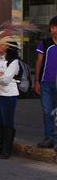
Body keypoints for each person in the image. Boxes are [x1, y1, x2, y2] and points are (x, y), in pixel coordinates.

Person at [35, 15, 57, 149]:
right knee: (47, 111)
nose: (55, 30)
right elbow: (39, 62)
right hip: (46, 82)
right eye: (53, 27)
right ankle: (49, 138)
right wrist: (36, 80)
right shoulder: (45, 43)